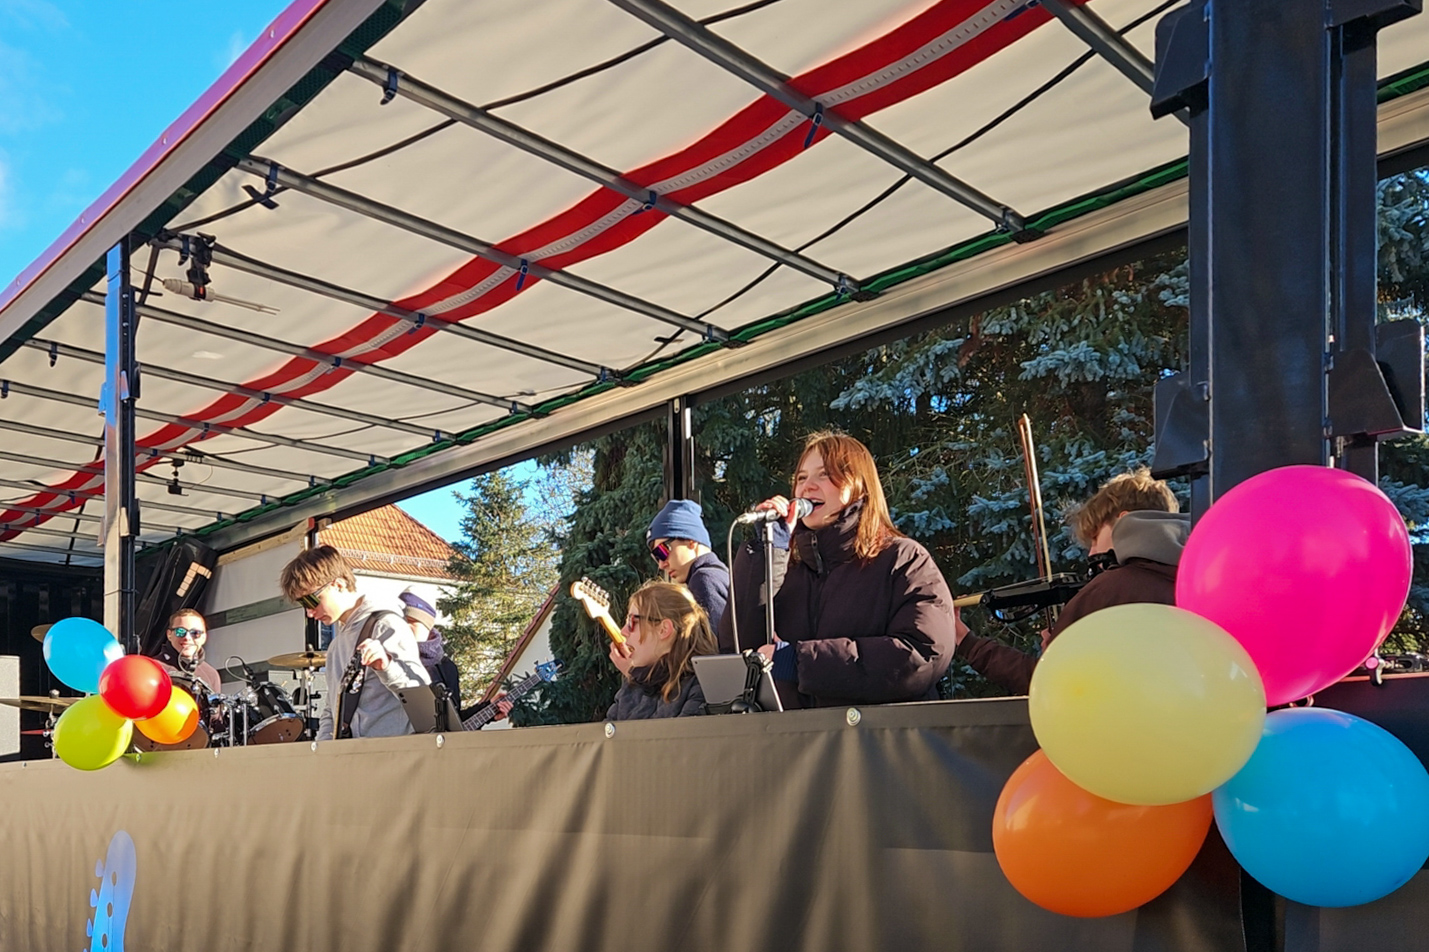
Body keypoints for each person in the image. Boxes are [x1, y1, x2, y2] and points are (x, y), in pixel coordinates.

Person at [718, 431, 957, 708]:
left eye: (824, 475)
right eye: (801, 478)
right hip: (796, 734)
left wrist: (800, 661)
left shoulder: (903, 560)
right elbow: (738, 648)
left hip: (876, 732)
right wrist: (765, 553)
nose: (807, 487)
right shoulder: (786, 570)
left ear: (859, 486)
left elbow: (921, 655)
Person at [954, 467, 1189, 694]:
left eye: (1095, 537)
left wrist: (967, 643)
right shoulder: (1192, 581)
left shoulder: (1109, 591)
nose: (1091, 552)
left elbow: (1048, 682)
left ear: (1123, 520)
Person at [279, 545, 429, 740]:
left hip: (394, 752)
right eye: (303, 604)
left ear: (338, 584)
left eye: (311, 600)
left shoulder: (386, 625)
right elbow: (331, 710)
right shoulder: (335, 646)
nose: (309, 612)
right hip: (354, 753)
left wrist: (387, 667)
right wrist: (324, 750)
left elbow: (421, 695)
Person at [606, 581, 716, 720]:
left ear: (664, 629)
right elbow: (608, 730)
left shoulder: (702, 686)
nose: (623, 631)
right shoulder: (634, 684)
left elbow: (685, 734)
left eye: (632, 622)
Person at [646, 499, 730, 632]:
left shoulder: (704, 580)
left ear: (691, 542)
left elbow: (712, 644)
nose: (661, 565)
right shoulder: (718, 575)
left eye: (662, 551)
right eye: (656, 557)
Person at [150, 608, 222, 696]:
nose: (187, 637)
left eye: (195, 633)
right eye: (180, 631)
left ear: (204, 637)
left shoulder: (210, 674)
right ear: (169, 635)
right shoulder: (152, 668)